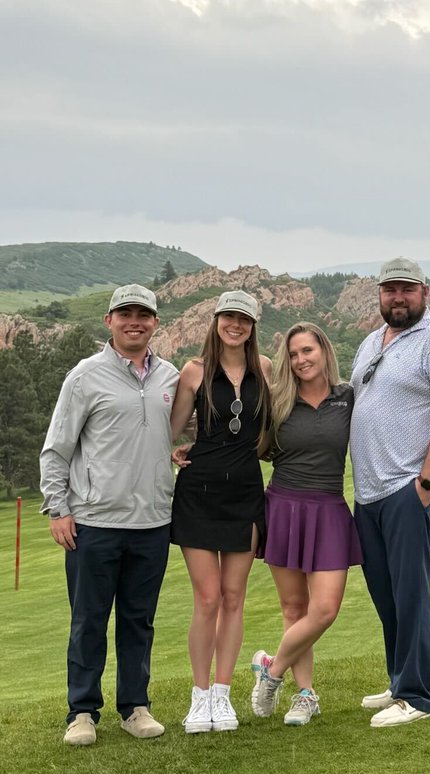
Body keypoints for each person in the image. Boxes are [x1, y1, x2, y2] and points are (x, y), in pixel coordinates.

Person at [40, 284, 180, 746]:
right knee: (88, 620)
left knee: (139, 620)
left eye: (143, 314)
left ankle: (135, 707)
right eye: (125, 314)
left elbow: (179, 435)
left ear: (155, 323)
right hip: (94, 523)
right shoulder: (85, 376)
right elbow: (56, 449)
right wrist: (57, 508)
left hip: (153, 523)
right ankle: (82, 711)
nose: (134, 321)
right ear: (109, 321)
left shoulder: (171, 378)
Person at [349, 258, 430, 728]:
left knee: (410, 592)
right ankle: (401, 678)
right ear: (379, 295)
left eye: (407, 289)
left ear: (424, 292)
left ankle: (417, 696)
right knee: (386, 594)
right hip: (370, 493)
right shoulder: (372, 341)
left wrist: (425, 484)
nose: (397, 297)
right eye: (389, 290)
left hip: (408, 488)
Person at [169, 290, 272, 734]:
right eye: (229, 317)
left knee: (234, 597)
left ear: (252, 326)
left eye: (244, 319)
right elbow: (171, 429)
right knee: (207, 598)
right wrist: (176, 449)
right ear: (215, 321)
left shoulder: (265, 368)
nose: (236, 325)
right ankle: (198, 696)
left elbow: (272, 426)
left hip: (246, 493)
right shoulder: (194, 371)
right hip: (199, 493)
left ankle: (223, 695)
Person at [249, 322, 362, 725]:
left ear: (324, 351)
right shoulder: (278, 400)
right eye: (294, 354)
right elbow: (249, 444)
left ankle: (271, 669)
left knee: (325, 609)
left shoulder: (347, 398)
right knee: (294, 609)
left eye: (307, 351)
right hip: (283, 508)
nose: (301, 360)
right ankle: (305, 695)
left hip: (329, 509)